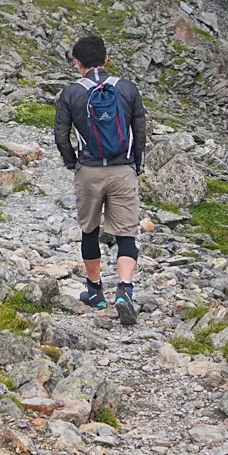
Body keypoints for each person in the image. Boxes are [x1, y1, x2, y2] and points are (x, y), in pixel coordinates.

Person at [53, 32, 147, 326]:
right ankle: (125, 290)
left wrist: (72, 163)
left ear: (77, 63)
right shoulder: (128, 89)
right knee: (126, 233)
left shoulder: (71, 93)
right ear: (106, 59)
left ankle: (95, 291)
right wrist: (136, 165)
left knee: (90, 230)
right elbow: (140, 132)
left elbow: (61, 135)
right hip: (123, 170)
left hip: (89, 171)